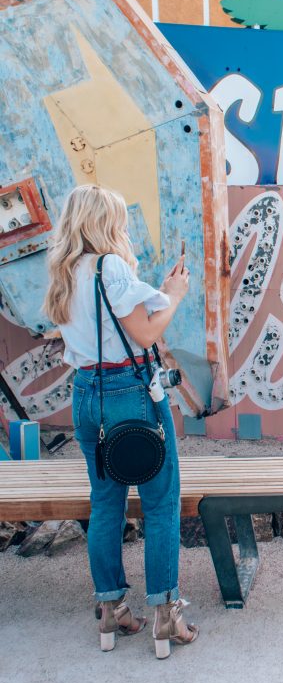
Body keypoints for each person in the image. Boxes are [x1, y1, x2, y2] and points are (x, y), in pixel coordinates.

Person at [42, 184, 198, 659]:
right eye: (118, 220)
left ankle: (111, 609)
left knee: (106, 503)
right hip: (130, 392)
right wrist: (174, 294)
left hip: (86, 394)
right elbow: (147, 331)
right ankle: (166, 616)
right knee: (160, 502)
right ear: (103, 223)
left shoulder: (65, 271)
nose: (123, 228)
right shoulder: (111, 267)